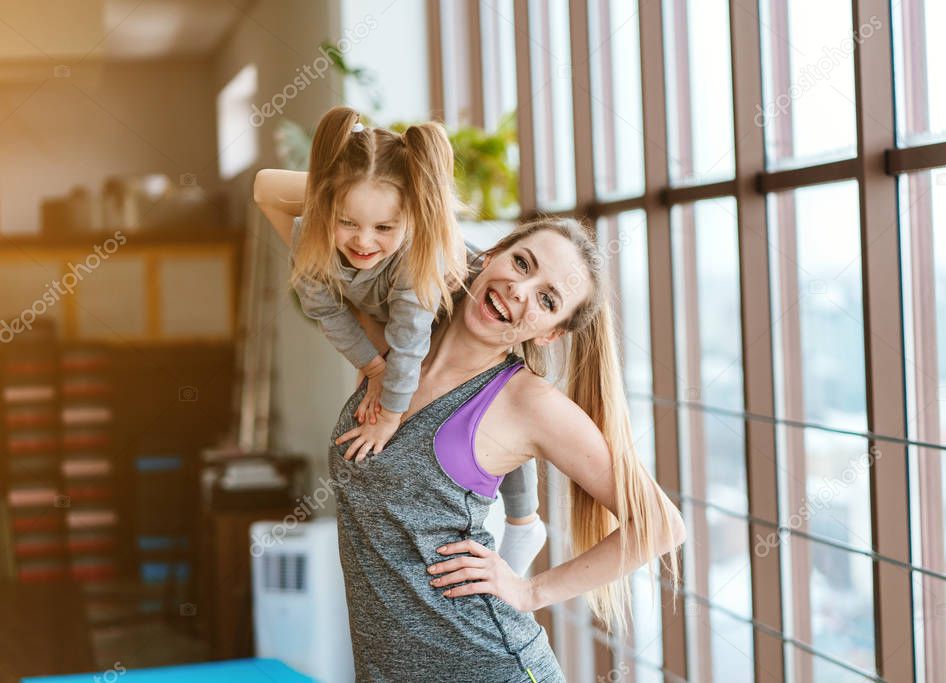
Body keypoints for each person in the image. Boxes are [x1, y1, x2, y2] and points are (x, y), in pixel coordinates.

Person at [329, 217, 686, 681]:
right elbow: (281, 198)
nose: (520, 291)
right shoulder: (396, 344)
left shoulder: (527, 402)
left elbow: (661, 525)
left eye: (547, 299)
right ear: (491, 253)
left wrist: (530, 592)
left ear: (550, 333)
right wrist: (415, 212)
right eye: (521, 263)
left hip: (491, 666)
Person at [253, 106, 546, 576]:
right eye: (347, 221)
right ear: (324, 205)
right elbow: (328, 311)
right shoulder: (312, 237)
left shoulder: (415, 261)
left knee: (493, 392)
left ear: (410, 218)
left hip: (462, 301)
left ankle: (523, 518)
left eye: (384, 227)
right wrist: (372, 368)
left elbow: (409, 342)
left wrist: (389, 416)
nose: (364, 241)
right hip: (400, 318)